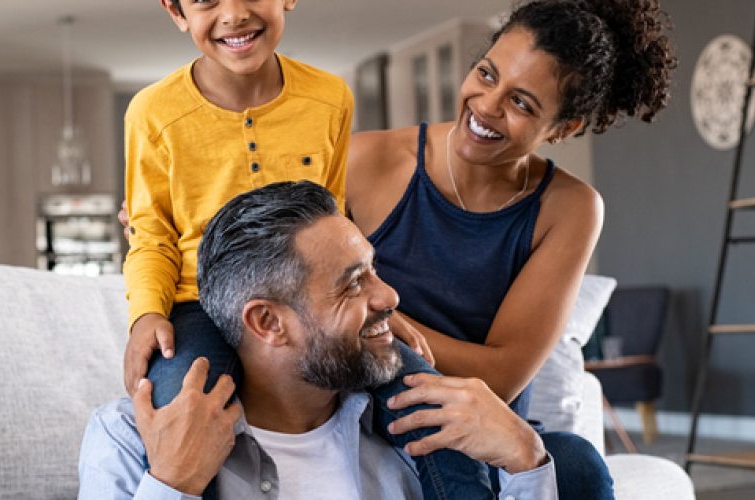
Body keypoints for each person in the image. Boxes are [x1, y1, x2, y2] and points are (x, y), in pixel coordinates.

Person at [119, 1, 487, 498]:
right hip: (196, 304)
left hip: (309, 304)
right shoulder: (152, 112)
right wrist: (145, 313)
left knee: (436, 406)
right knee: (176, 416)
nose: (233, 14)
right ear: (175, 10)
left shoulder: (328, 97)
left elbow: (331, 222)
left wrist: (368, 311)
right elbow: (151, 234)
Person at [346, 0, 677, 498]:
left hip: (484, 429)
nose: (486, 105)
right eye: (486, 73)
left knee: (576, 462)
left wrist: (386, 322)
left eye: (522, 103)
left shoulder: (570, 208)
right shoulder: (362, 160)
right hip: (372, 409)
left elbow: (500, 377)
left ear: (563, 129)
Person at [81, 181, 556, 500]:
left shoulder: (430, 433)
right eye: (353, 283)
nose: (389, 295)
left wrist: (525, 457)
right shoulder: (129, 440)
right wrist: (173, 484)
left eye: (375, 270)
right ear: (267, 322)